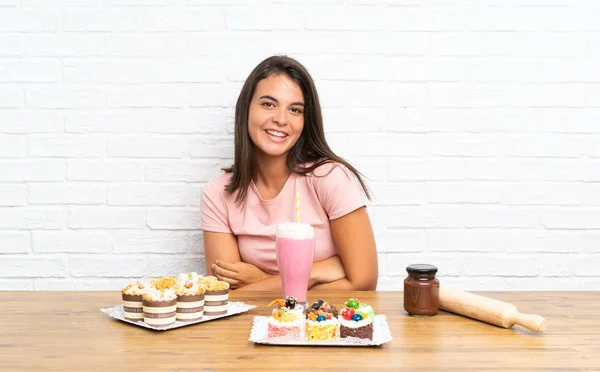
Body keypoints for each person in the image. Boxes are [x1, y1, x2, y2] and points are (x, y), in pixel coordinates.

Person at [200, 55, 378, 291]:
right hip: (251, 327)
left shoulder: (329, 178)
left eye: (295, 109)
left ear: (306, 121)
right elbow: (228, 295)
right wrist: (325, 270)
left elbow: (363, 282)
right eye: (268, 104)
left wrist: (260, 280)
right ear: (246, 109)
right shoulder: (218, 194)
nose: (281, 119)